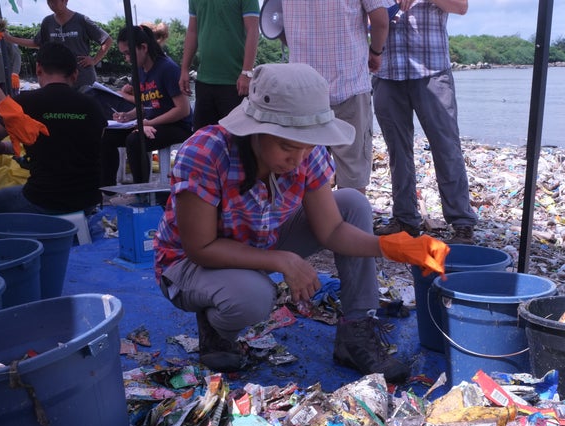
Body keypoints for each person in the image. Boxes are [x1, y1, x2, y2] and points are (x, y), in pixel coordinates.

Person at [154, 63, 449, 384]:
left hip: (257, 241)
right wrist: (281, 259)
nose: (298, 158)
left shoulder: (306, 153)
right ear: (256, 128)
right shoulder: (206, 152)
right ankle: (215, 326)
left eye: (307, 145)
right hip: (190, 266)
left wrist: (394, 246)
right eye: (286, 146)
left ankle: (356, 331)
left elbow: (333, 230)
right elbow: (200, 248)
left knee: (352, 203)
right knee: (253, 297)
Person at [372, 0, 478, 243]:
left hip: (432, 70)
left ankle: (461, 222)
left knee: (446, 147)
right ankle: (405, 219)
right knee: (397, 151)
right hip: (386, 71)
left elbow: (461, 6)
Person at [282, 0, 392, 194]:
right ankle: (349, 220)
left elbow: (275, 24)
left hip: (302, 89)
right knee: (353, 171)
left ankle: (309, 222)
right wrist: (375, 52)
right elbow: (381, 20)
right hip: (349, 83)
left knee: (303, 169)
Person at [0, 43, 106, 214]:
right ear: (75, 74)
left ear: (38, 69)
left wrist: (0, 147)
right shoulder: (93, 106)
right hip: (87, 201)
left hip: (42, 200)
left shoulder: (25, 103)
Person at [100, 25, 192, 186]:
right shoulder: (140, 70)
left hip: (177, 126)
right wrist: (128, 116)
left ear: (143, 48)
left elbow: (183, 110)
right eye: (124, 55)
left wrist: (148, 123)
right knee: (107, 136)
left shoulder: (167, 69)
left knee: (135, 141)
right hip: (150, 123)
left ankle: (140, 191)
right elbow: (146, 105)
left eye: (128, 53)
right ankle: (108, 188)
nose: (127, 59)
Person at [179, 0, 260, 130]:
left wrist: (246, 72)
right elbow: (192, 31)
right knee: (202, 139)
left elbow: (253, 30)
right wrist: (184, 69)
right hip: (204, 81)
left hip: (235, 82)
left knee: (237, 140)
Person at [3, 0, 112, 91]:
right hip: (57, 79)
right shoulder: (48, 22)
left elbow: (107, 40)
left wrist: (94, 60)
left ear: (65, 1)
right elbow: (37, 43)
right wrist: (10, 38)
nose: (51, 4)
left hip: (83, 78)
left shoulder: (81, 20)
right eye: (49, 1)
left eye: (54, 1)